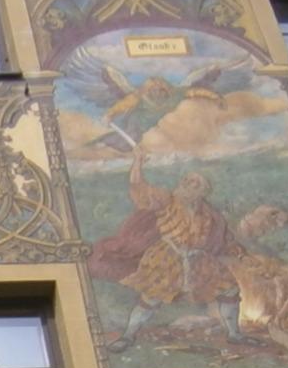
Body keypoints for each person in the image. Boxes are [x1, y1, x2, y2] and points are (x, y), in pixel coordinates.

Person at [89, 148, 247, 352]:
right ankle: (127, 336)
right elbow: (139, 186)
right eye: (187, 180)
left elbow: (221, 236)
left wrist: (236, 251)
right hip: (166, 257)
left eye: (195, 183)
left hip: (199, 261)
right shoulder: (166, 199)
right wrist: (138, 161)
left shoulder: (209, 213)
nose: (188, 184)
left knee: (229, 288)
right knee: (151, 297)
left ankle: (234, 335)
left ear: (203, 191)